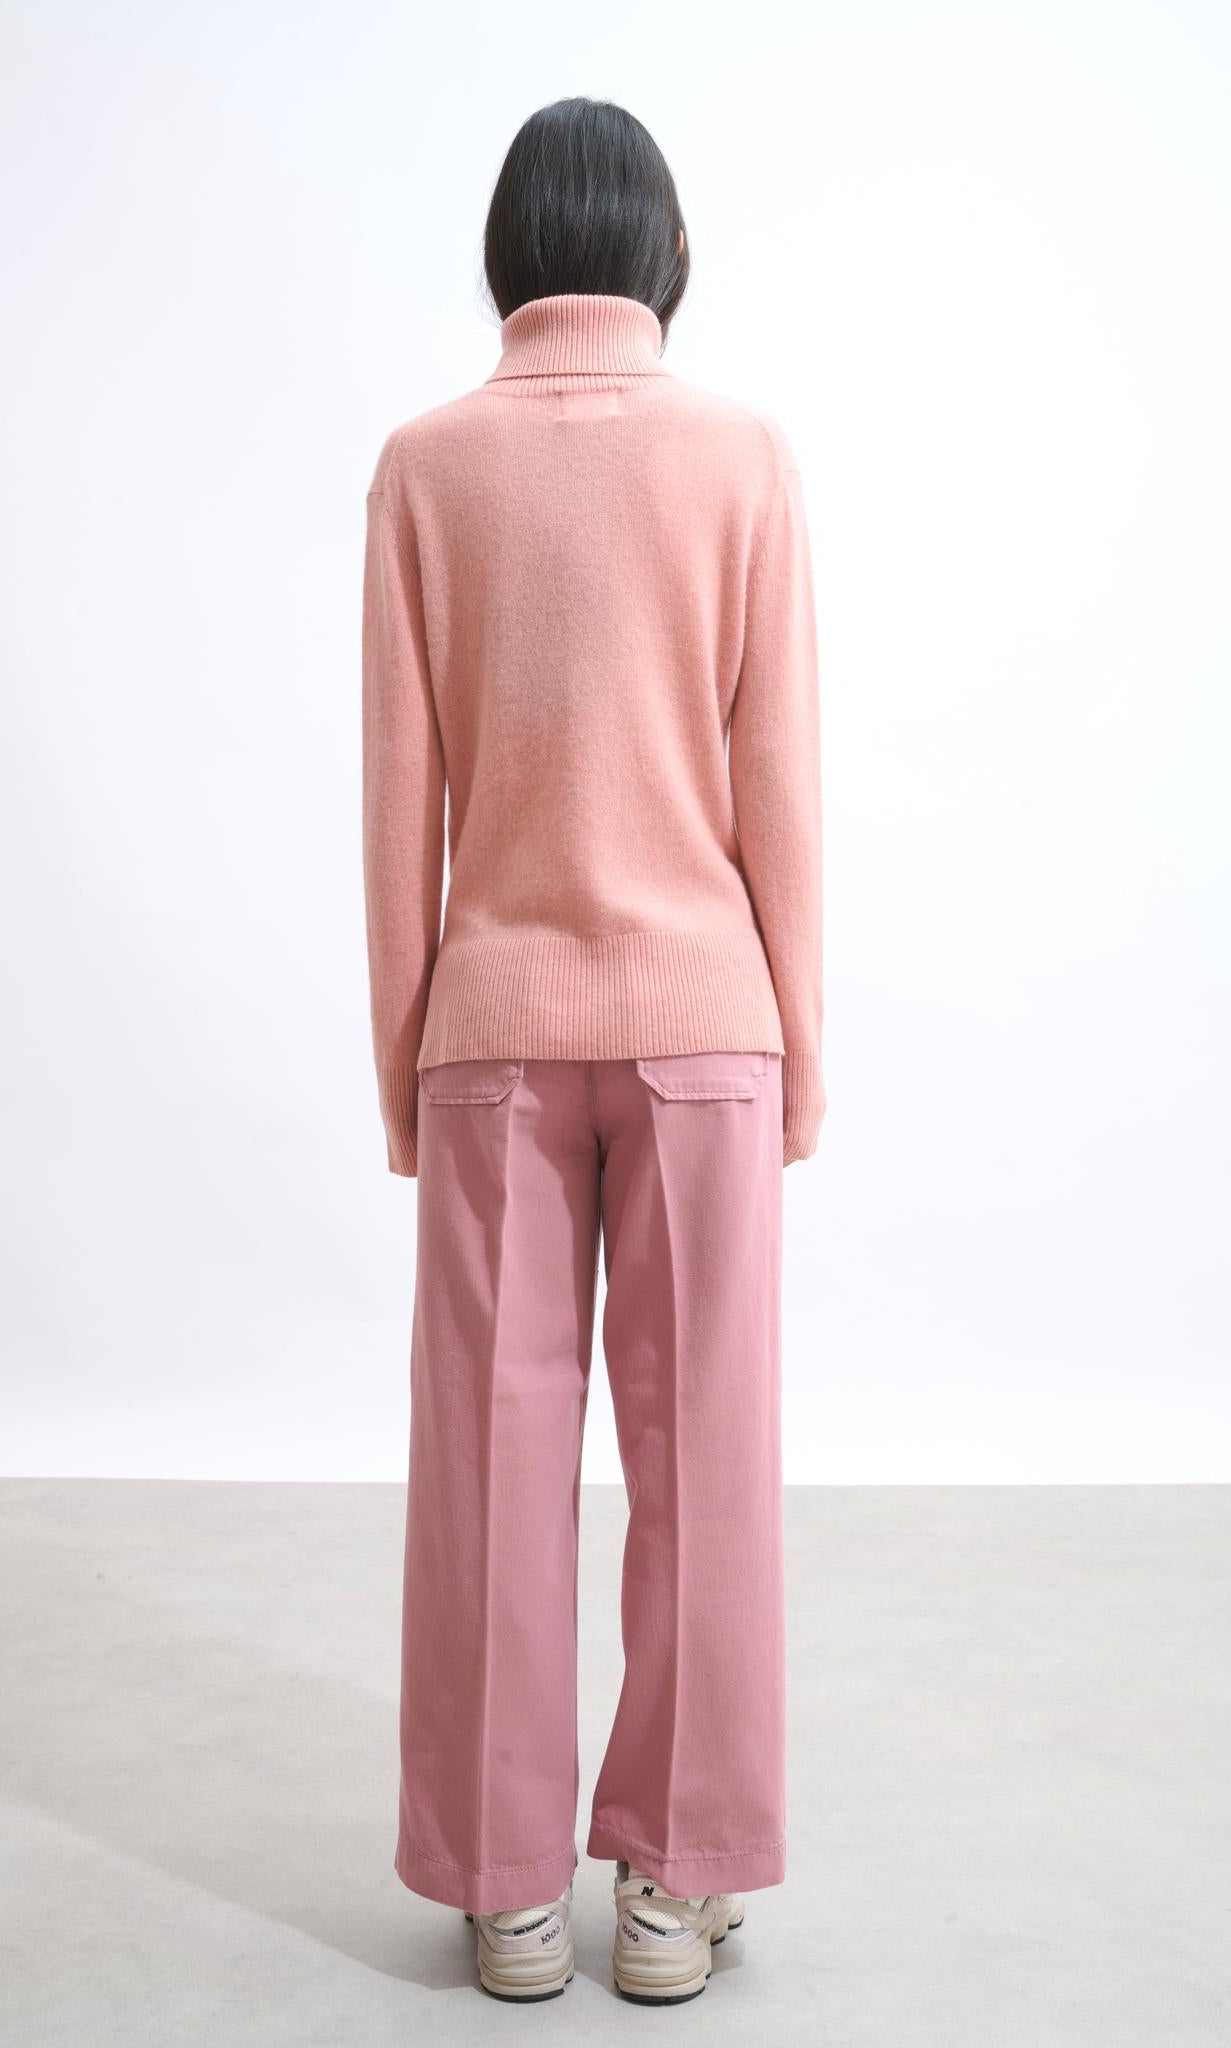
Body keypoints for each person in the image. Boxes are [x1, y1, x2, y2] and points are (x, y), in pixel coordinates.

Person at [362, 95, 825, 2005]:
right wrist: (802, 1048)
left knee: (486, 1456)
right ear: (665, 257)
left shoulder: (424, 466)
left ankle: (505, 1893)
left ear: (504, 258)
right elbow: (776, 779)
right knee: (706, 1454)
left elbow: (401, 796)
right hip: (707, 1025)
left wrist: (406, 1061)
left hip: (490, 1031)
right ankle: (670, 1884)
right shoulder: (738, 456)